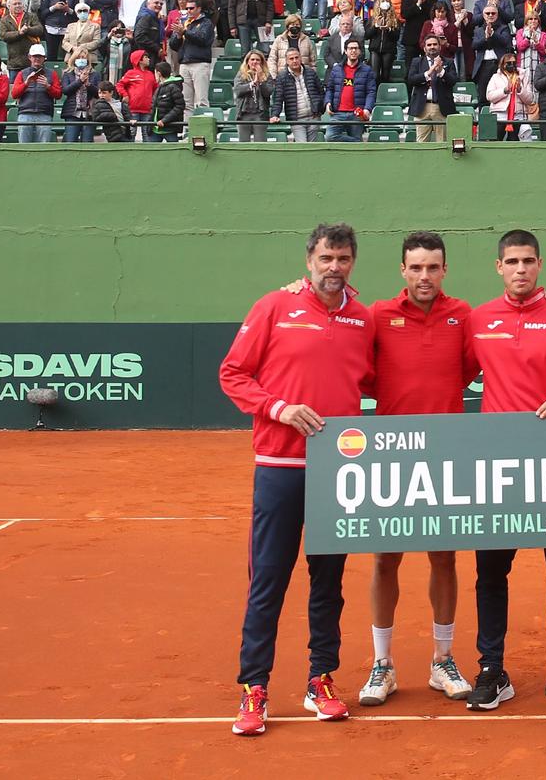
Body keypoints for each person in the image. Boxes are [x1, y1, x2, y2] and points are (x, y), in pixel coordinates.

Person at [220, 223, 375, 735]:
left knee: (328, 583)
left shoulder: (363, 318)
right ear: (309, 258)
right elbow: (233, 374)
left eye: (344, 258)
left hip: (337, 473)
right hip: (280, 468)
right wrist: (279, 408)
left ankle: (320, 680)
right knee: (268, 580)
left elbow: (376, 381)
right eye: (327, 257)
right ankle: (254, 688)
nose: (335, 267)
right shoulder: (273, 307)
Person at [464, 230, 546, 711]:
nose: (520, 269)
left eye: (528, 261)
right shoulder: (476, 320)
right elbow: (446, 372)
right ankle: (491, 667)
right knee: (491, 571)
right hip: (496, 467)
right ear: (499, 267)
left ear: (540, 265)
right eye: (511, 261)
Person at [355, 233, 475, 708]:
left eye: (433, 267)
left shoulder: (463, 314)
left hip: (446, 453)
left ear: (445, 270)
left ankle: (442, 660)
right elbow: (363, 373)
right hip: (390, 456)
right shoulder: (378, 316)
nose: (425, 276)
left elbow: (466, 370)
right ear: (402, 270)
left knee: (444, 557)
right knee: (386, 558)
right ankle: (382, 665)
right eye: (416, 268)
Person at [11, 44, 63, 143]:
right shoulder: (22, 73)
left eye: (40, 56)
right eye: (35, 56)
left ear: (44, 58)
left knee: (43, 147)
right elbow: (14, 94)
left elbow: (58, 94)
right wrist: (26, 83)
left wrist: (48, 87)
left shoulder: (52, 74)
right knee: (24, 146)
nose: (37, 59)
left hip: (44, 114)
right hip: (25, 113)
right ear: (30, 57)